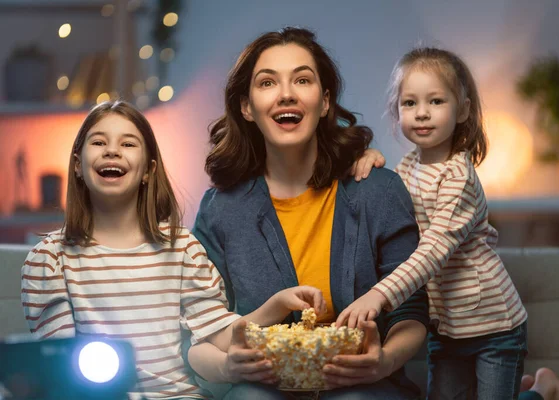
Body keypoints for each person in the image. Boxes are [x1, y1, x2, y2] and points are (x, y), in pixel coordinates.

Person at [20, 100, 329, 400]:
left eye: (128, 144)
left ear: (148, 171)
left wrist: (275, 307)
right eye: (99, 142)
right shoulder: (49, 261)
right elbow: (60, 368)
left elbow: (217, 332)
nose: (112, 150)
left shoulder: (183, 249)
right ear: (77, 165)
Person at [188, 27, 429, 400]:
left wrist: (383, 361)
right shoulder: (221, 210)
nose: (287, 93)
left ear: (326, 100)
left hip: (363, 386)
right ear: (246, 107)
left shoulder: (378, 191)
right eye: (267, 83)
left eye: (302, 79)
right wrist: (227, 366)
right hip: (263, 387)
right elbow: (200, 330)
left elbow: (411, 313)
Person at [337, 47, 528, 399]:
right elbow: (396, 214)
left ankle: (541, 391)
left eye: (436, 101)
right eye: (410, 103)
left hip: (495, 327)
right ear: (397, 112)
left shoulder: (460, 179)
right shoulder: (408, 167)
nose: (422, 113)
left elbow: (432, 251)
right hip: (445, 326)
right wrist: (372, 157)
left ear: (463, 110)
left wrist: (379, 295)